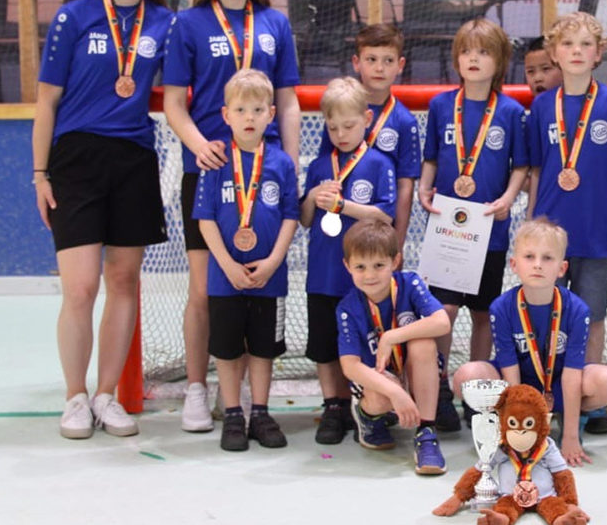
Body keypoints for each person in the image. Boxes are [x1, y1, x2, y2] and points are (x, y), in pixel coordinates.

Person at [32, 0, 173, 439]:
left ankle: (107, 394)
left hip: (133, 158)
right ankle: (74, 396)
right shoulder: (75, 17)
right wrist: (40, 173)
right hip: (76, 160)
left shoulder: (164, 22)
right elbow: (46, 101)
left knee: (122, 281)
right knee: (81, 287)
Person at [162, 0, 301, 433]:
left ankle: (248, 404)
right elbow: (175, 103)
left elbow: (287, 100)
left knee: (258, 290)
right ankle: (199, 389)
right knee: (207, 291)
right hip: (212, 174)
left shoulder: (275, 23)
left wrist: (288, 164)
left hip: (264, 178)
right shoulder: (189, 23)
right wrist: (199, 146)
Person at [525, 11, 607, 435]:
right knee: (545, 316)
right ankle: (547, 391)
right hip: (550, 234)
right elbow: (537, 170)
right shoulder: (540, 107)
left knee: (591, 315)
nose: (576, 52)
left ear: (598, 53)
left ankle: (589, 399)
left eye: (584, 45)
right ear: (554, 53)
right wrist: (531, 223)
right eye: (567, 44)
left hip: (599, 229)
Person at [418, 18, 529, 432]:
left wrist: (506, 198)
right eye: (467, 51)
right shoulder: (441, 105)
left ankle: (477, 393)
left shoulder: (512, 112)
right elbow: (431, 156)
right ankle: (441, 388)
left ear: (499, 60)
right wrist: (426, 189)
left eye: (484, 52)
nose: (474, 59)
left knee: (484, 313)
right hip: (447, 230)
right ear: (456, 59)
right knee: (442, 312)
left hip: (489, 231)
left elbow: (522, 166)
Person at [452, 219, 607, 467]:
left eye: (547, 258)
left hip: (558, 388)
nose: (538, 265)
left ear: (562, 268)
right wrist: (519, 427)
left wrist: (571, 438)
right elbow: (510, 372)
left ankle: (570, 420)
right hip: (518, 385)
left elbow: (573, 374)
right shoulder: (501, 308)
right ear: (514, 264)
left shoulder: (577, 310)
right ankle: (507, 426)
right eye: (529, 257)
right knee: (466, 376)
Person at [193, 69, 299, 451]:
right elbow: (205, 220)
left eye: (257, 109)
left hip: (270, 276)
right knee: (226, 347)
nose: (250, 117)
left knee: (263, 347)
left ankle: (260, 411)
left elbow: (290, 216)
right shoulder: (216, 160)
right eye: (241, 109)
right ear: (226, 115)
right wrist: (226, 265)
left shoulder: (282, 163)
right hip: (226, 277)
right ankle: (234, 413)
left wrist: (272, 260)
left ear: (272, 113)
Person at [301, 77, 397, 444]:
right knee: (325, 344)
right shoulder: (319, 165)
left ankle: (365, 404)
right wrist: (313, 196)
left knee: (362, 343)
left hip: (364, 280)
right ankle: (332, 405)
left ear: (367, 119)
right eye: (333, 126)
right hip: (323, 274)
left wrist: (342, 206)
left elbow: (385, 216)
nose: (341, 133)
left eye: (349, 125)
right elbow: (307, 219)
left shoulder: (378, 164)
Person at [337, 219, 452, 474]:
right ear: (347, 266)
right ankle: (369, 420)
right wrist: (395, 391)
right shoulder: (348, 307)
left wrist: (391, 336)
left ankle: (426, 432)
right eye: (360, 266)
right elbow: (350, 366)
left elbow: (442, 322)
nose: (369, 275)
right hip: (380, 381)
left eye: (379, 265)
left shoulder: (409, 284)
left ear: (395, 261)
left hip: (414, 374)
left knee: (423, 343)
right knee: (379, 398)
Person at [318, 23, 420, 252]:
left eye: (388, 60)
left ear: (400, 65)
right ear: (356, 62)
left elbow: (405, 188)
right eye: (371, 59)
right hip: (339, 225)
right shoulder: (338, 109)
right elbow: (325, 165)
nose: (379, 68)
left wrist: (399, 243)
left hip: (379, 227)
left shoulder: (404, 122)